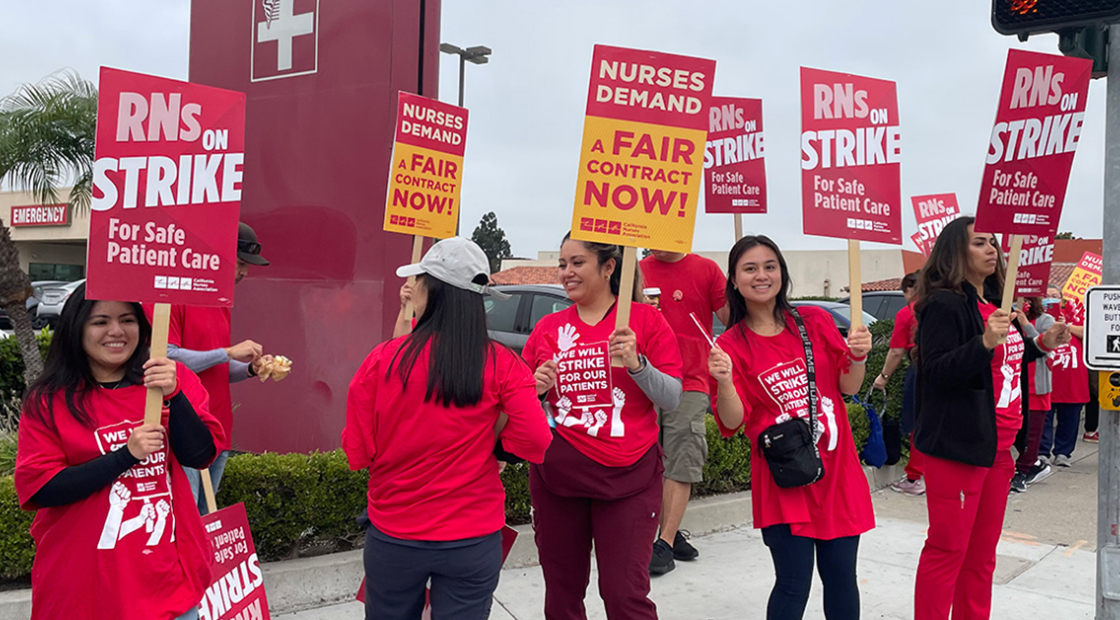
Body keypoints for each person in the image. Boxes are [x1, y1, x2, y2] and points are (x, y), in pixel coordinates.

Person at [343, 237, 552, 619]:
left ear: (430, 290)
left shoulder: (382, 361)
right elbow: (536, 440)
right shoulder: (503, 364)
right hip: (473, 538)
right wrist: (496, 447)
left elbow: (357, 452)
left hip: (394, 535)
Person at [14, 284, 223, 620]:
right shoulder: (49, 400)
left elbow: (200, 456)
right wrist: (125, 456)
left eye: (127, 319)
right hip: (83, 586)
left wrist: (175, 395)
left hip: (165, 581)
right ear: (76, 328)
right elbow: (42, 487)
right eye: (100, 322)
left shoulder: (170, 380)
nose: (116, 331)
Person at [708, 235, 875, 620]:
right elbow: (732, 422)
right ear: (734, 280)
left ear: (782, 272)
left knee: (841, 578)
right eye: (750, 268)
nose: (761, 275)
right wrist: (725, 381)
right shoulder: (731, 345)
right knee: (792, 583)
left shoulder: (813, 320)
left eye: (770, 266)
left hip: (837, 474)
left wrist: (860, 356)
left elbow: (847, 386)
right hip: (784, 479)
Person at [912, 218, 1069, 620]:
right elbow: (938, 373)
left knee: (982, 557)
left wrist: (1038, 345)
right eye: (979, 242)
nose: (992, 249)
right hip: (959, 449)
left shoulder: (998, 304)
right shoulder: (945, 304)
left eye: (993, 242)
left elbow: (1001, 362)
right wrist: (983, 341)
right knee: (948, 550)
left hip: (999, 449)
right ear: (955, 252)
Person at [523, 234, 682, 620]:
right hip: (558, 479)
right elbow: (519, 407)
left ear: (608, 267)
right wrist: (537, 390)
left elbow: (673, 397)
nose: (566, 273)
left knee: (624, 594)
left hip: (629, 478)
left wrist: (637, 365)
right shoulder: (547, 328)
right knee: (561, 594)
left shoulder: (644, 320)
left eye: (577, 262)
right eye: (562, 264)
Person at [152, 222, 273, 514]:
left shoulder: (220, 302)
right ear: (216, 257)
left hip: (217, 427)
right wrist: (228, 352)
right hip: (185, 426)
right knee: (188, 516)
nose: (243, 273)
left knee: (206, 516)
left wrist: (249, 370)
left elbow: (214, 367)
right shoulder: (174, 297)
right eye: (240, 264)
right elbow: (165, 358)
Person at [639, 249, 729, 574]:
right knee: (646, 458)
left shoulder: (706, 269)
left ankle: (663, 542)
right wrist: (637, 309)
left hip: (691, 378)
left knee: (683, 456)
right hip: (646, 377)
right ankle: (669, 534)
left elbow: (730, 319)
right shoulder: (637, 270)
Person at [874, 271, 926, 496]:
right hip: (949, 370)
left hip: (921, 369)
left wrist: (883, 377)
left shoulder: (907, 313)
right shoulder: (948, 307)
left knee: (917, 424)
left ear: (909, 290)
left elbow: (895, 352)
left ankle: (916, 477)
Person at [1040, 286, 1088, 467]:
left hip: (1072, 378)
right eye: (1047, 297)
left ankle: (1063, 453)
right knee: (1044, 416)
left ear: (1062, 299)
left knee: (1070, 417)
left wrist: (1065, 325)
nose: (1051, 300)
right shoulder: (1037, 316)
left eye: (1055, 296)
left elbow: (1087, 332)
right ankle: (1042, 452)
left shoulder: (1073, 314)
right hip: (1047, 375)